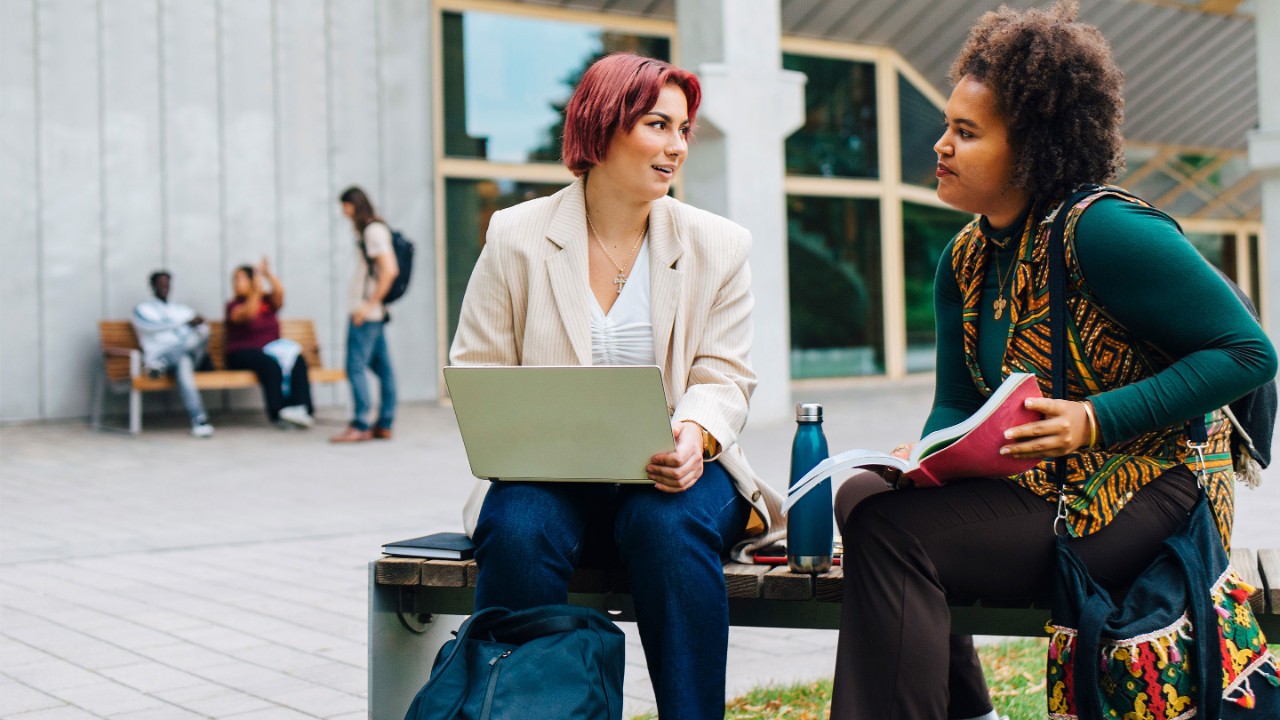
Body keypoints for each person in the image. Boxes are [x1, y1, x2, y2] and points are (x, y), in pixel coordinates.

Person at [828, 3, 1278, 719]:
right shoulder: (966, 259)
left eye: (966, 133)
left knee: (893, 535)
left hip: (1154, 489)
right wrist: (928, 457)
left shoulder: (1105, 232)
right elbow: (954, 400)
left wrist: (1094, 420)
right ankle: (972, 711)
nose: (940, 145)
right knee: (862, 498)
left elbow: (1250, 352)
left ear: (1031, 148)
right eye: (947, 126)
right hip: (1049, 487)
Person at [450, 53, 784, 720]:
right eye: (659, 125)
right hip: (550, 475)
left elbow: (724, 374)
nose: (677, 146)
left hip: (676, 473)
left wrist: (695, 434)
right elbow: (478, 367)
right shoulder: (517, 236)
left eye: (684, 129)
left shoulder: (719, 244)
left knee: (665, 523)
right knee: (516, 528)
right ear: (602, 127)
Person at [331, 186, 398, 443]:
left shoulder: (373, 230)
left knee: (355, 366)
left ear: (354, 205)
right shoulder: (373, 230)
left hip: (366, 313)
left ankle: (360, 424)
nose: (344, 213)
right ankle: (384, 423)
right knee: (383, 368)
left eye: (345, 207)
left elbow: (389, 270)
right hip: (373, 312)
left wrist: (367, 305)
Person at [224, 258, 314, 429]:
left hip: (270, 349)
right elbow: (248, 315)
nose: (236, 283)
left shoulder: (267, 301)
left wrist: (267, 274)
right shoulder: (233, 305)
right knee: (270, 364)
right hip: (241, 353)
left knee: (297, 358)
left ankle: (301, 409)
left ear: (251, 281)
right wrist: (256, 292)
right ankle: (278, 412)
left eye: (241, 278)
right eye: (234, 279)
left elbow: (280, 293)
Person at [131, 271, 215, 438]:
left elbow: (204, 329)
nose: (164, 287)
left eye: (166, 283)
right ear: (152, 286)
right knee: (184, 366)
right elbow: (150, 326)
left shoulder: (181, 310)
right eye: (160, 283)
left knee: (192, 346)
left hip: (180, 358)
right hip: (161, 353)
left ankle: (159, 364)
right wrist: (185, 324)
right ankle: (199, 420)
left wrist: (195, 326)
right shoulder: (143, 310)